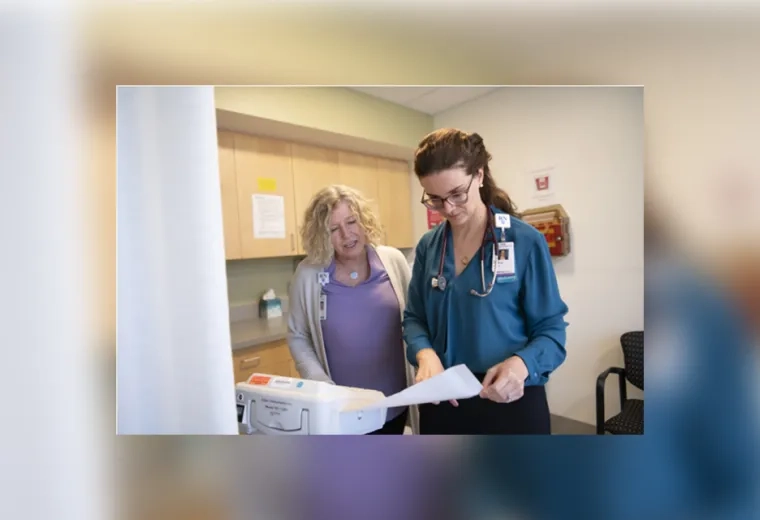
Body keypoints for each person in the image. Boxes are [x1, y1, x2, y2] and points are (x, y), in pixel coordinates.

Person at [403, 128, 569, 434]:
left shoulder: (524, 242)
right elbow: (414, 319)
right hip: (444, 400)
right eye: (436, 200)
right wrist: (425, 355)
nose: (448, 209)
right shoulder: (429, 247)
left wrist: (522, 364)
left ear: (479, 175)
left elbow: (552, 332)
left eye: (456, 194)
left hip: (510, 399)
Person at [287, 184, 419, 435]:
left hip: (393, 403)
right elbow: (298, 335)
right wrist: (320, 383)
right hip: (340, 409)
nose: (346, 235)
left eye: (352, 222)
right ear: (322, 235)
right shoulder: (309, 274)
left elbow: (415, 318)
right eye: (334, 229)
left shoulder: (393, 261)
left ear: (364, 220)